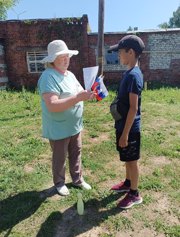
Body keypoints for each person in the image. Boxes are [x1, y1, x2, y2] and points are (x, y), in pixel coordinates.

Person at [38, 40, 95, 196]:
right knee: (60, 157)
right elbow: (52, 105)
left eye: (67, 56)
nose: (66, 60)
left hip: (74, 125)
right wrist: (78, 98)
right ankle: (59, 183)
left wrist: (88, 94)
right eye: (61, 57)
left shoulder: (70, 75)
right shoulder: (48, 76)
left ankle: (77, 179)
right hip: (58, 127)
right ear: (52, 60)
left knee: (76, 153)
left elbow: (80, 91)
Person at [108, 35, 145, 209]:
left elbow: (133, 108)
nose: (118, 55)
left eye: (120, 52)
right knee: (127, 158)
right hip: (123, 125)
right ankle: (128, 183)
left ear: (130, 52)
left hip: (130, 129)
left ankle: (134, 193)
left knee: (132, 161)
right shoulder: (129, 73)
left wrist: (125, 134)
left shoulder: (134, 76)